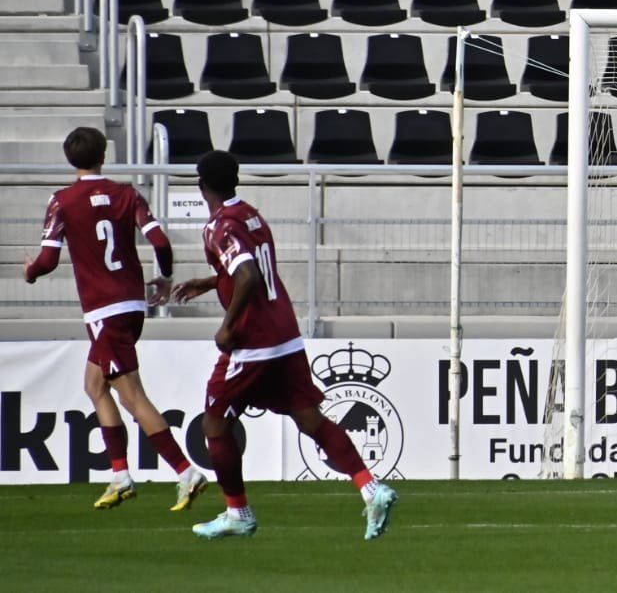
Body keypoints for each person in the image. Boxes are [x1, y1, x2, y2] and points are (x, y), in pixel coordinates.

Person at [173, 150, 397, 540]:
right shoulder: (251, 215)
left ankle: (237, 512)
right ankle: (370, 488)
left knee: (214, 422)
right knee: (310, 419)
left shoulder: (218, 226)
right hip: (285, 336)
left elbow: (247, 275)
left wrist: (227, 327)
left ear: (200, 185)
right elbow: (250, 268)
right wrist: (209, 282)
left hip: (252, 344)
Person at [22, 127, 208, 511]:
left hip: (104, 311)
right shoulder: (128, 194)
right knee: (94, 385)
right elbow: (159, 242)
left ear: (69, 159)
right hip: (130, 305)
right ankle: (120, 474)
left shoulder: (62, 201)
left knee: (132, 395)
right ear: (103, 155)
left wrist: (30, 273)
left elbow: (48, 259)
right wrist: (166, 276)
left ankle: (186, 471)